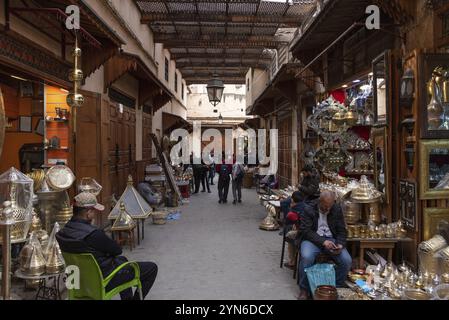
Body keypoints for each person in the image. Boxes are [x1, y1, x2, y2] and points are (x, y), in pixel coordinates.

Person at [56, 192, 158, 300]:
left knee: (122, 261)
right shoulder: (93, 234)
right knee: (151, 268)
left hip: (78, 280)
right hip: (103, 280)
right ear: (88, 212)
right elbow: (117, 250)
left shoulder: (63, 232)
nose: (95, 214)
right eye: (94, 211)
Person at [297, 191, 352, 300]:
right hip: (312, 239)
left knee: (346, 260)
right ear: (319, 201)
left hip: (331, 240)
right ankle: (304, 289)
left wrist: (340, 244)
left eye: (329, 206)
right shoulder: (309, 209)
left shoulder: (336, 208)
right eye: (324, 206)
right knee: (307, 257)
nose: (327, 209)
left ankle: (336, 287)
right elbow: (306, 231)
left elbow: (342, 230)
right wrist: (323, 242)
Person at [283, 191, 305, 270]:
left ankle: (292, 261)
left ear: (293, 200)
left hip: (302, 233)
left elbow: (287, 222)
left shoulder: (293, 211)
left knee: (289, 234)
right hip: (307, 231)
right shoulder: (305, 206)